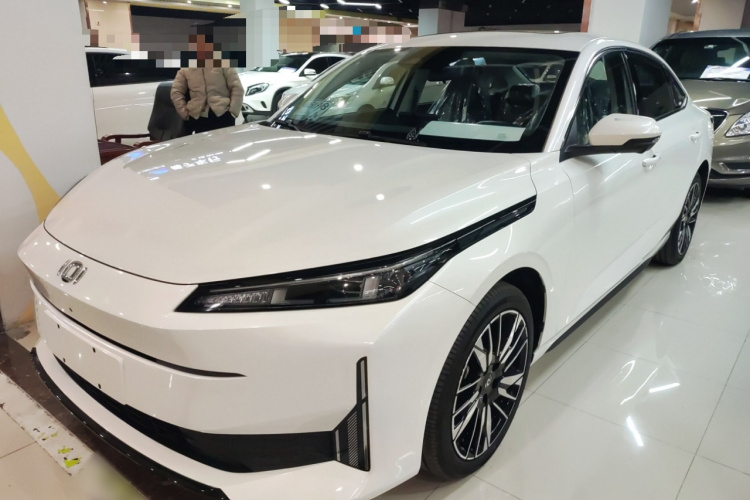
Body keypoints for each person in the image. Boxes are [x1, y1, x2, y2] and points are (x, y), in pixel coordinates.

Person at [171, 33, 243, 134]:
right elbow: (176, 92)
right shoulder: (186, 68)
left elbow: (237, 88)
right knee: (203, 143)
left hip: (223, 113)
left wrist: (233, 112)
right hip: (198, 116)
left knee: (225, 142)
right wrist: (185, 114)